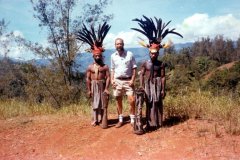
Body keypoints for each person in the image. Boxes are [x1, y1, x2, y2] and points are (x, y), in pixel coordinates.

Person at [131, 15, 183, 131]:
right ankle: (149, 123)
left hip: (158, 85)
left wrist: (163, 89)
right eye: (151, 53)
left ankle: (158, 122)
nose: (153, 55)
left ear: (158, 53)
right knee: (149, 103)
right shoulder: (145, 63)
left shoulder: (161, 64)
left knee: (158, 103)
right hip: (148, 86)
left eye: (155, 53)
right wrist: (142, 86)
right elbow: (142, 74)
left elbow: (163, 77)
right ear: (149, 53)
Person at [76, 22, 111, 128]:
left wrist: (106, 88)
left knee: (101, 102)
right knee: (95, 102)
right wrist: (89, 89)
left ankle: (101, 119)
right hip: (94, 85)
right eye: (95, 55)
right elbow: (87, 78)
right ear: (93, 56)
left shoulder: (105, 67)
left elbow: (108, 77)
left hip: (101, 85)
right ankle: (95, 119)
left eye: (99, 55)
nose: (97, 57)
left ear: (101, 56)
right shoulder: (90, 67)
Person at [111, 38, 137, 128]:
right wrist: (112, 80)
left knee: (132, 100)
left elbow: (134, 68)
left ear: (123, 44)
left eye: (120, 44)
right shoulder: (113, 56)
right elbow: (112, 69)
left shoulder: (130, 54)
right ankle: (120, 119)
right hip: (117, 81)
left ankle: (133, 119)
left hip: (128, 80)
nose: (119, 45)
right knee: (118, 100)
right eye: (117, 44)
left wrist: (132, 80)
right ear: (115, 45)